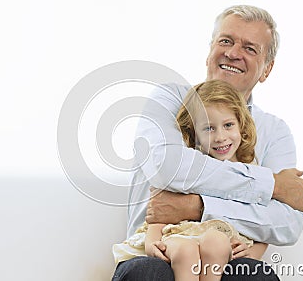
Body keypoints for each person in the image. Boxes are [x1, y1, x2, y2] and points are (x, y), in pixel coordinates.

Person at [111, 5, 303, 281]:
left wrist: (198, 207)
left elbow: (288, 222)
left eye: (250, 48)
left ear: (267, 69)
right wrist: (272, 186)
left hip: (229, 258)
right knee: (147, 274)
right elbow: (168, 167)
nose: (232, 53)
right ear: (209, 51)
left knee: (254, 276)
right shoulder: (170, 100)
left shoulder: (274, 131)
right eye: (225, 41)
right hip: (156, 252)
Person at [114, 80, 269, 281]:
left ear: (242, 125)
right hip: (178, 237)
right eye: (209, 129)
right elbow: (158, 216)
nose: (220, 137)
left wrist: (253, 251)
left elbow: (265, 226)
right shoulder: (188, 172)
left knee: (217, 242)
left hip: (219, 244)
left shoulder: (251, 174)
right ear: (194, 133)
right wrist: (152, 243)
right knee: (186, 251)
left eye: (228, 125)